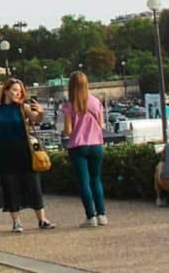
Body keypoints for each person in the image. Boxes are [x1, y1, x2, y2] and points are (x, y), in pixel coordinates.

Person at [0, 78, 56, 232]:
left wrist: (40, 111)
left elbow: (35, 119)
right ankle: (16, 222)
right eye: (14, 90)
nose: (17, 93)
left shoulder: (22, 107)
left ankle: (42, 219)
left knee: (33, 184)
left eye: (19, 91)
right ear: (6, 91)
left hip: (23, 149)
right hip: (5, 151)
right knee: (10, 186)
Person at [61, 71, 107, 228]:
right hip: (96, 144)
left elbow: (68, 130)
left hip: (78, 146)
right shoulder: (95, 102)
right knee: (96, 180)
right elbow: (100, 125)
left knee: (84, 183)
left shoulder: (69, 106)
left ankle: (91, 216)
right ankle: (102, 215)